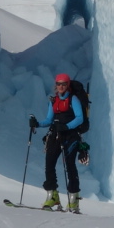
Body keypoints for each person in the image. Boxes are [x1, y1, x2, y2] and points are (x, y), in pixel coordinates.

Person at [34, 73, 85, 212]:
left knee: (69, 166)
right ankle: (52, 195)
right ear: (55, 85)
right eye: (58, 84)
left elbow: (80, 118)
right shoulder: (53, 100)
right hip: (56, 136)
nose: (61, 86)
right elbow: (49, 120)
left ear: (68, 85)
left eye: (63, 84)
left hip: (71, 136)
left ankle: (74, 200)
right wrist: (37, 124)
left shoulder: (73, 99)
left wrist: (67, 126)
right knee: (49, 164)